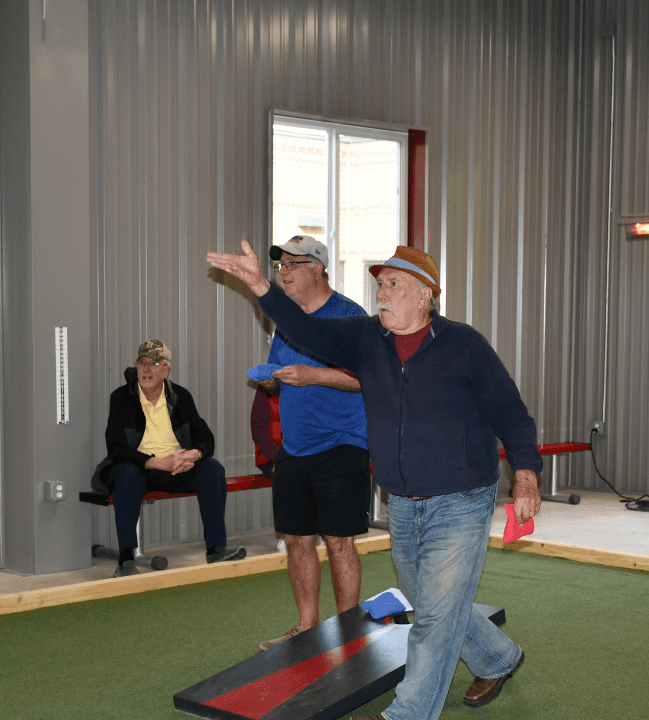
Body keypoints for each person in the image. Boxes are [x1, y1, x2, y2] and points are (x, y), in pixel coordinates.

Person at [208, 241, 542, 720]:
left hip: (462, 497)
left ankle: (407, 714)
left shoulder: (464, 345)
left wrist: (526, 474)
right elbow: (305, 330)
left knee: (432, 617)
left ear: (426, 295)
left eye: (394, 284)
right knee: (430, 599)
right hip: (403, 502)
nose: (381, 293)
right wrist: (261, 285)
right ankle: (499, 657)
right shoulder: (367, 339)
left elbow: (511, 413)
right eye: (379, 284)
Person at [256, 235, 372, 651]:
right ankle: (308, 628)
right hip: (295, 447)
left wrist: (313, 375)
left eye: (292, 263)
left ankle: (346, 632)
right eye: (279, 265)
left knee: (339, 541)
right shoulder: (286, 321)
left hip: (342, 445)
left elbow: (367, 380)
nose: (283, 270)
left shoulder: (350, 317)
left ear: (319, 267)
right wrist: (273, 378)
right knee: (296, 539)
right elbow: (286, 375)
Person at [90, 339, 247, 576]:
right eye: (142, 363)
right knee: (125, 473)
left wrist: (193, 455)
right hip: (140, 469)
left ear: (166, 370)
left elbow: (206, 439)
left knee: (213, 469)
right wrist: (156, 462)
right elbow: (116, 447)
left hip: (176, 469)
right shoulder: (121, 398)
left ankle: (216, 549)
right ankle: (126, 559)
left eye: (153, 364)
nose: (146, 369)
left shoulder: (180, 397)